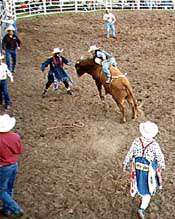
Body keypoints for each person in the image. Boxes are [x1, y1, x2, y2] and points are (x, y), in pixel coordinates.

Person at [123, 121, 165, 219]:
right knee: (148, 190)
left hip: (137, 168)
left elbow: (130, 152)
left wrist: (125, 163)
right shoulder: (154, 145)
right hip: (148, 171)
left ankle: (136, 190)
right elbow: (160, 157)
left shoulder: (137, 141)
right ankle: (141, 208)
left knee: (136, 181)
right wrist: (162, 166)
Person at [0, 114, 24, 218]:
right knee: (9, 187)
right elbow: (19, 150)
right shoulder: (15, 136)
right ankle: (7, 210)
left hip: (3, 167)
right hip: (14, 164)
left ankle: (16, 209)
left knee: (1, 191)